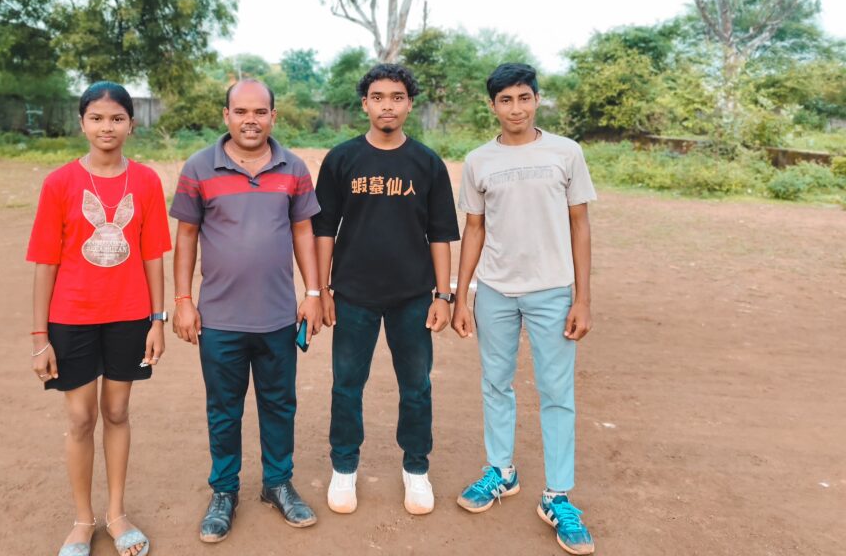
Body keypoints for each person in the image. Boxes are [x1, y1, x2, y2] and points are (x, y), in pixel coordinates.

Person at [451, 63, 596, 555]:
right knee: (496, 383)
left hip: (553, 291)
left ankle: (558, 496)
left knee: (556, 392)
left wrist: (582, 298)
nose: (516, 108)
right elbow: (474, 228)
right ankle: (501, 471)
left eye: (524, 98)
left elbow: (580, 224)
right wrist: (462, 296)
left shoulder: (565, 153)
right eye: (506, 100)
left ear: (537, 99)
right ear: (492, 105)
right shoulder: (479, 161)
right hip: (495, 290)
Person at [170, 79, 323, 544]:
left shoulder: (293, 168)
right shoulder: (199, 168)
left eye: (260, 112)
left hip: (277, 317)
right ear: (226, 116)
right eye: (241, 112)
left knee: (279, 404)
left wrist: (313, 292)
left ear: (273, 116)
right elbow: (186, 237)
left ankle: (278, 483)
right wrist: (183, 301)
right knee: (224, 410)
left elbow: (303, 231)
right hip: (219, 320)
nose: (250, 120)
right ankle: (224, 491)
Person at [28, 81, 171, 556]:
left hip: (129, 317)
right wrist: (40, 337)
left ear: (131, 124)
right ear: (82, 123)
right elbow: (46, 262)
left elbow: (153, 255)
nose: (106, 127)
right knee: (80, 417)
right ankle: (82, 520)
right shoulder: (60, 183)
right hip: (71, 317)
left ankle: (116, 513)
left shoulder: (145, 182)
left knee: (116, 412)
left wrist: (157, 320)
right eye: (96, 118)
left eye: (116, 118)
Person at [312, 63, 460, 516]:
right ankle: (344, 468)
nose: (387, 106)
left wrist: (443, 295)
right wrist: (322, 290)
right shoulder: (342, 159)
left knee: (416, 386)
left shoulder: (427, 163)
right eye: (378, 97)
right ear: (365, 104)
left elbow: (440, 234)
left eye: (397, 97)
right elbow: (324, 230)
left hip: (412, 297)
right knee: (346, 386)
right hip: (352, 295)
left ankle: (416, 468)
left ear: (409, 104)